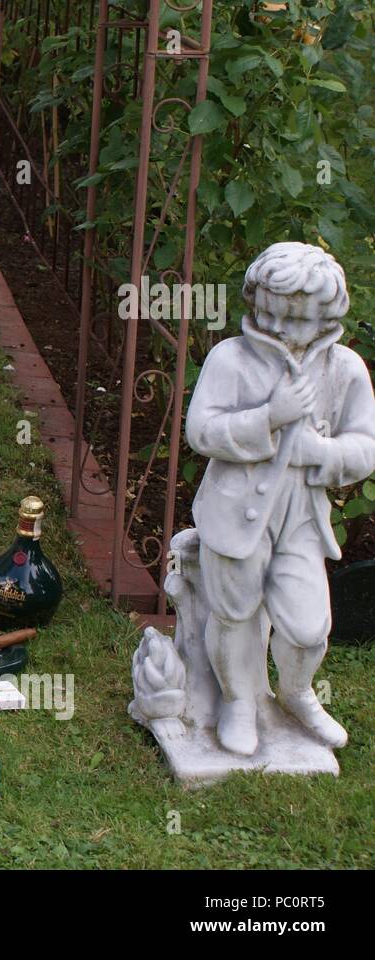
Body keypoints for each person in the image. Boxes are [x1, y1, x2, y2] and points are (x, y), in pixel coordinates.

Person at [186, 242, 375, 756]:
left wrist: (321, 452)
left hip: (301, 514)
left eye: (297, 319)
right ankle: (239, 702)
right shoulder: (231, 358)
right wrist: (269, 416)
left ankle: (296, 692)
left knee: (309, 624)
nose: (281, 330)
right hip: (233, 510)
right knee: (234, 612)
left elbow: (365, 447)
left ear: (326, 316)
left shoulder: (344, 370)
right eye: (270, 314)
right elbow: (202, 431)